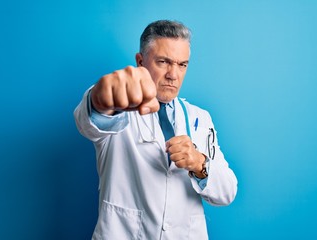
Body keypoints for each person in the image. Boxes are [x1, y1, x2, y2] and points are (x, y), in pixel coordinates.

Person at [74, 20, 237, 240]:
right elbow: (90, 122)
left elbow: (227, 192)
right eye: (163, 62)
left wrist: (200, 164)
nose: (173, 74)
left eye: (182, 64)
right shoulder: (120, 110)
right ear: (140, 62)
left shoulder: (200, 117)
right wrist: (100, 99)